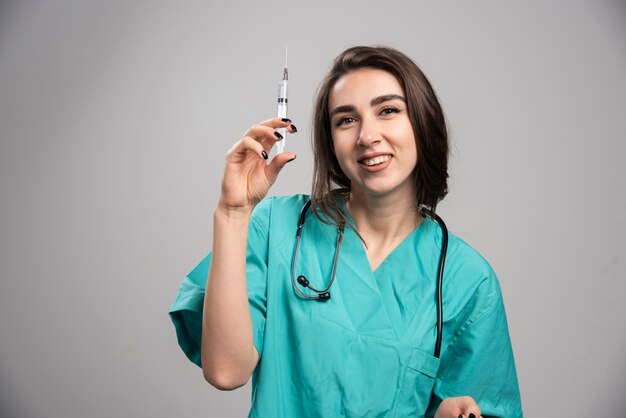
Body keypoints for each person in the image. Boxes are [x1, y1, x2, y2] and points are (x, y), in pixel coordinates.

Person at [169, 46, 522, 418]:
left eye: (388, 110)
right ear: (330, 141)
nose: (368, 136)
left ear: (423, 121)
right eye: (346, 120)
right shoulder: (277, 227)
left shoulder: (466, 280)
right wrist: (233, 212)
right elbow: (226, 371)